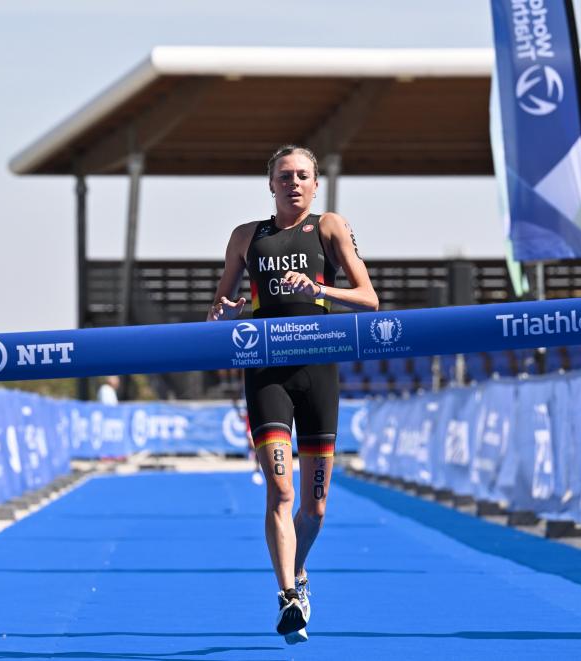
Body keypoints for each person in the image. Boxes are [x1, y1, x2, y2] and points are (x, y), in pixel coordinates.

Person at [207, 145, 378, 643]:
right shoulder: (246, 236)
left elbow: (368, 299)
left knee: (315, 507)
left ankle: (298, 574)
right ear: (270, 184)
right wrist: (227, 311)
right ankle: (287, 597)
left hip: (318, 372)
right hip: (266, 372)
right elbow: (220, 305)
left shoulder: (329, 227)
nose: (294, 183)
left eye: (303, 175)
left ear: (316, 184)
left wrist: (318, 291)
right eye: (285, 176)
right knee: (280, 492)